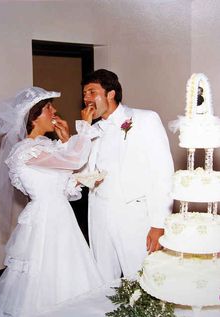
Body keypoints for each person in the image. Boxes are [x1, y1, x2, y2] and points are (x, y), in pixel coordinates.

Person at [0, 87, 104, 317]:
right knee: (47, 277)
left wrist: (66, 141)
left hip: (62, 217)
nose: (55, 111)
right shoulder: (25, 151)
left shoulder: (45, 147)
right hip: (47, 220)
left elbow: (64, 182)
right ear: (34, 116)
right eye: (49, 107)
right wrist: (84, 128)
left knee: (70, 273)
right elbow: (73, 158)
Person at [80, 69, 174, 283]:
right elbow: (84, 172)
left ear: (110, 94)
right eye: (84, 94)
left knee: (142, 277)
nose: (86, 99)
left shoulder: (144, 119)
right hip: (98, 215)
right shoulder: (93, 130)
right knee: (104, 281)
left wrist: (159, 223)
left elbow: (162, 173)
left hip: (133, 216)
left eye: (91, 92)